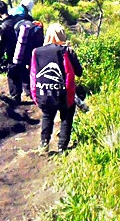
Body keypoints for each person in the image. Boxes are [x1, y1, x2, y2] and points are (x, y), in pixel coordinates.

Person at [29, 23, 83, 154]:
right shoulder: (67, 51)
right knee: (66, 117)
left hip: (44, 91)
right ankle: (62, 147)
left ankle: (44, 144)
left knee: (47, 116)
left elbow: (33, 73)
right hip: (64, 93)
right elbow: (79, 71)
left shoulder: (37, 52)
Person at [0, 0, 43, 103]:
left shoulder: (4, 26)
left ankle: (16, 99)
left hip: (12, 55)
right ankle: (30, 93)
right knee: (25, 71)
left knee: (13, 75)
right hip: (25, 51)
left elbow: (1, 46)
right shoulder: (19, 18)